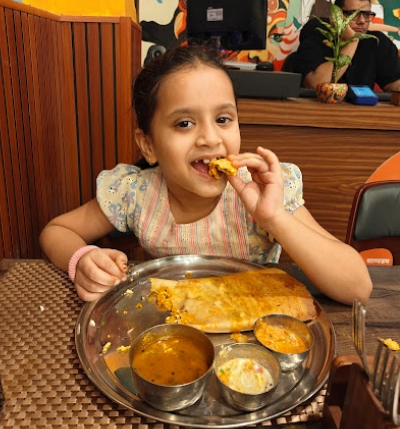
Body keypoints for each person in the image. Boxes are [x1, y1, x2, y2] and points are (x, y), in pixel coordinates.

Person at [39, 45, 372, 305]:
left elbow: (358, 287)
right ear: (148, 145)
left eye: (223, 119)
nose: (211, 138)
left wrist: (274, 218)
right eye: (184, 123)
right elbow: (57, 231)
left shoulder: (264, 192)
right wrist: (83, 259)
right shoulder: (135, 193)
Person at [296, 0, 400, 92]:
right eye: (353, 14)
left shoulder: (377, 41)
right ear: (336, 16)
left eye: (366, 15)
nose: (362, 21)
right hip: (320, 103)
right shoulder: (317, 33)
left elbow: (394, 84)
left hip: (363, 103)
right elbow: (316, 86)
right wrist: (352, 42)